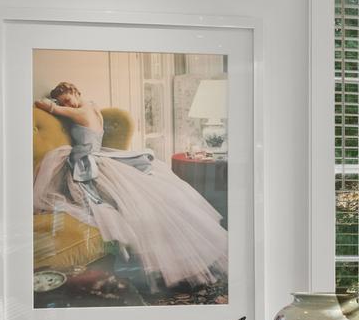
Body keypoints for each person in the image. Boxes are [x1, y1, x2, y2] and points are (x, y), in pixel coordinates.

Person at [33, 82, 227, 290]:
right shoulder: (91, 106)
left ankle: (171, 256)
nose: (66, 105)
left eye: (67, 99)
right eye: (63, 102)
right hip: (93, 156)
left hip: (90, 159)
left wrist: (53, 105)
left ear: (75, 92)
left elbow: (46, 107)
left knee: (111, 197)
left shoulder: (81, 113)